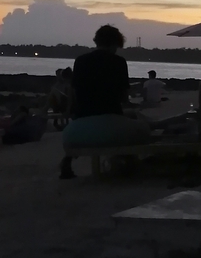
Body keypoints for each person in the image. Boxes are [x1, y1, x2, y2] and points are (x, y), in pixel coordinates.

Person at [59, 25, 150, 179]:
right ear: (116, 43)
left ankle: (67, 159)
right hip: (111, 125)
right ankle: (128, 158)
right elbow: (123, 99)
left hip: (77, 130)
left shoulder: (80, 61)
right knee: (143, 128)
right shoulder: (119, 62)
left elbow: (74, 96)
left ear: (97, 41)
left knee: (124, 117)